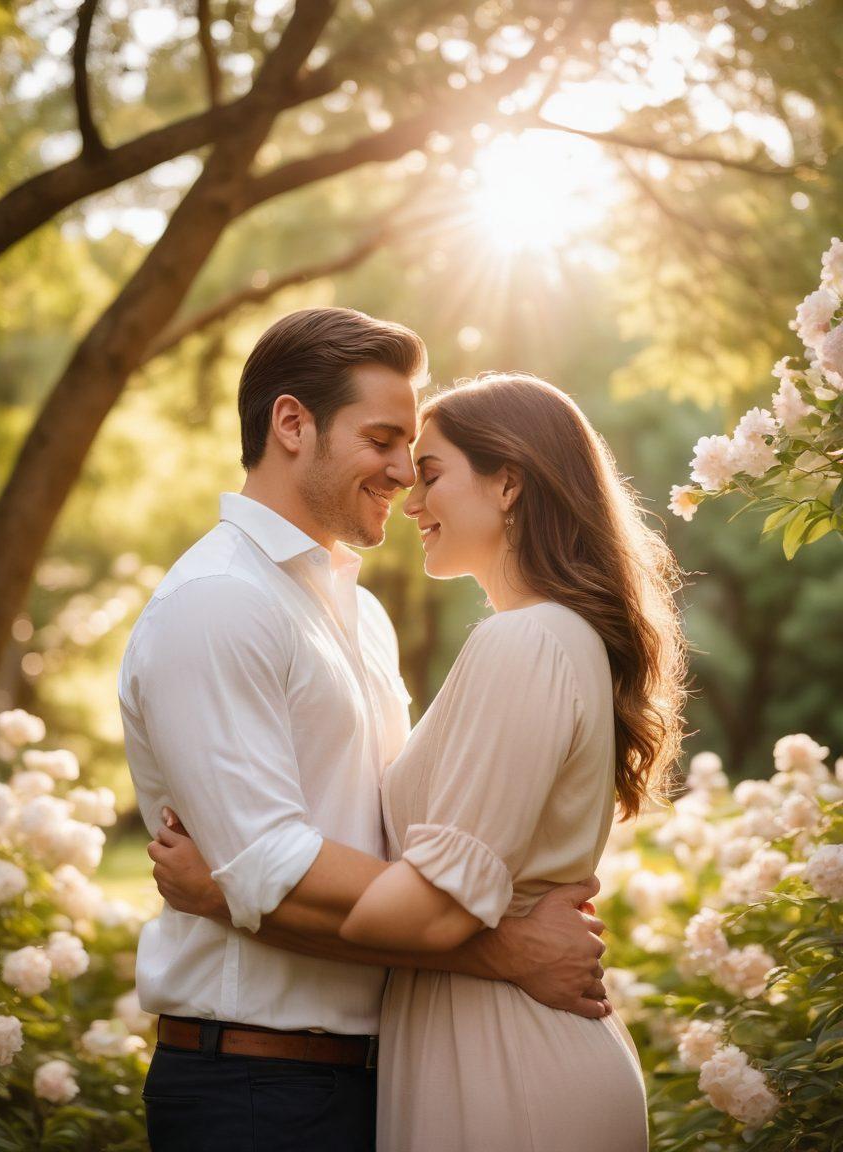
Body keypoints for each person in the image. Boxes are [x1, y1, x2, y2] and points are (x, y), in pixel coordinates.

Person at [151, 368, 689, 1151]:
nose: (410, 497)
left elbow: (432, 912)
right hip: (474, 1049)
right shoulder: (545, 639)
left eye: (431, 472)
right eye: (393, 452)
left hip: (508, 1070)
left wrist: (232, 886)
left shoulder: (526, 642)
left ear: (508, 484)